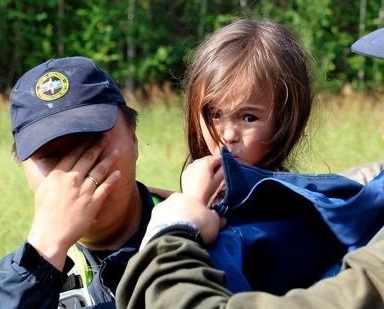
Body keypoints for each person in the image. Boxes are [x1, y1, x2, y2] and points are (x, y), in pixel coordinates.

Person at [115, 25, 384, 308]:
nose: (228, 134)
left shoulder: (298, 217)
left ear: (287, 120)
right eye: (215, 114)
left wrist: (177, 225)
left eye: (249, 118)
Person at [0, 56, 164, 308]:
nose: (76, 175)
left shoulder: (196, 233)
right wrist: (43, 254)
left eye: (91, 145)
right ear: (24, 171)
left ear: (134, 140)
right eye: (51, 157)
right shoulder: (8, 286)